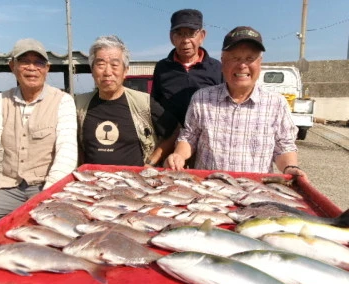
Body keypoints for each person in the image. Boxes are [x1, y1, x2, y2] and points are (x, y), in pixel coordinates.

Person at [0, 38, 78, 243]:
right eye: (24, 61)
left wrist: (47, 194)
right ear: (12, 66)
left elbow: (66, 151)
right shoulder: (2, 100)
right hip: (9, 185)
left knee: (43, 230)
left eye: (38, 62)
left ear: (47, 68)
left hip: (45, 185)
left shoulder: (62, 101)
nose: (32, 68)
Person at [164, 26, 308, 180]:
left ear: (260, 63)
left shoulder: (276, 103)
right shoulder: (201, 98)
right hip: (209, 191)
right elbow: (189, 137)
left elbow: (284, 146)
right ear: (223, 62)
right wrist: (178, 155)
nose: (242, 65)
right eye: (235, 58)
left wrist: (290, 167)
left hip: (254, 192)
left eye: (249, 58)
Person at [75, 35, 180, 167]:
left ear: (125, 71)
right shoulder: (78, 104)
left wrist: (152, 160)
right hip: (93, 182)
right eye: (100, 64)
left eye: (114, 65)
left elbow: (174, 130)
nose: (107, 72)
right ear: (92, 70)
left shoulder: (143, 102)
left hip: (134, 183)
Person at [151, 8, 223, 126]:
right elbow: (155, 102)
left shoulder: (216, 68)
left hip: (206, 137)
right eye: (179, 34)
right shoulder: (162, 68)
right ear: (171, 37)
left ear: (202, 36)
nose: (185, 40)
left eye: (191, 33)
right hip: (172, 138)